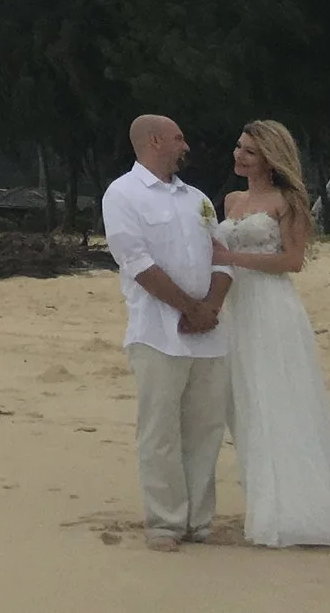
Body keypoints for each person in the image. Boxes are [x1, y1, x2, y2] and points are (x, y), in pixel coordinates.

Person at [208, 120, 330, 548]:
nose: (239, 155)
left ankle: (299, 508)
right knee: (245, 408)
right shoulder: (231, 200)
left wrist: (231, 255)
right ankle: (266, 505)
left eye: (250, 151)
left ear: (270, 158)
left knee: (279, 401)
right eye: (239, 147)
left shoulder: (289, 202)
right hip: (237, 309)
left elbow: (292, 261)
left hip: (272, 308)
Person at [101, 114, 234, 551]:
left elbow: (222, 257)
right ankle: (165, 521)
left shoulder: (197, 198)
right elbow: (135, 261)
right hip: (157, 331)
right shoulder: (123, 194)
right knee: (160, 430)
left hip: (208, 332)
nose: (185, 145)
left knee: (205, 427)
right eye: (179, 137)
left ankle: (199, 519)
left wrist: (210, 307)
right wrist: (187, 307)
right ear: (155, 140)